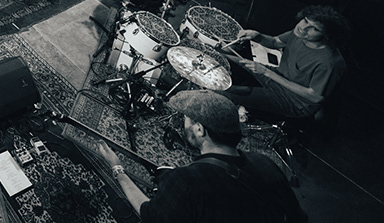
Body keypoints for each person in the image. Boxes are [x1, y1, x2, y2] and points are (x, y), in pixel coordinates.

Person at [97, 90, 306, 223]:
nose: (183, 123)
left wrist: (118, 170)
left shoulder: (186, 182)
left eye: (186, 120)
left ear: (199, 129)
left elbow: (150, 215)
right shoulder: (265, 163)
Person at [222, 5, 348, 120]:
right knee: (222, 57)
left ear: (326, 36)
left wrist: (266, 72)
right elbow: (275, 42)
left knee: (226, 93)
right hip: (277, 76)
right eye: (305, 21)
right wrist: (257, 36)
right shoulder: (299, 34)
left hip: (294, 101)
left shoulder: (330, 62)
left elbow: (315, 97)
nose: (303, 28)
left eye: (314, 28)